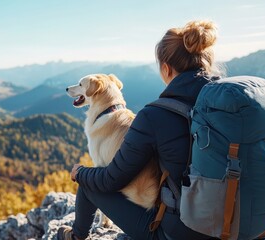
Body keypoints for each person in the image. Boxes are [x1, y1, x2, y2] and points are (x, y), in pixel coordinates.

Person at [57, 20, 221, 240]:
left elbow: (111, 180)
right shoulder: (225, 103)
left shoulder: (154, 116)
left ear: (166, 68)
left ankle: (75, 236)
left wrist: (81, 173)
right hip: (237, 222)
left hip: (180, 231)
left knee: (88, 184)